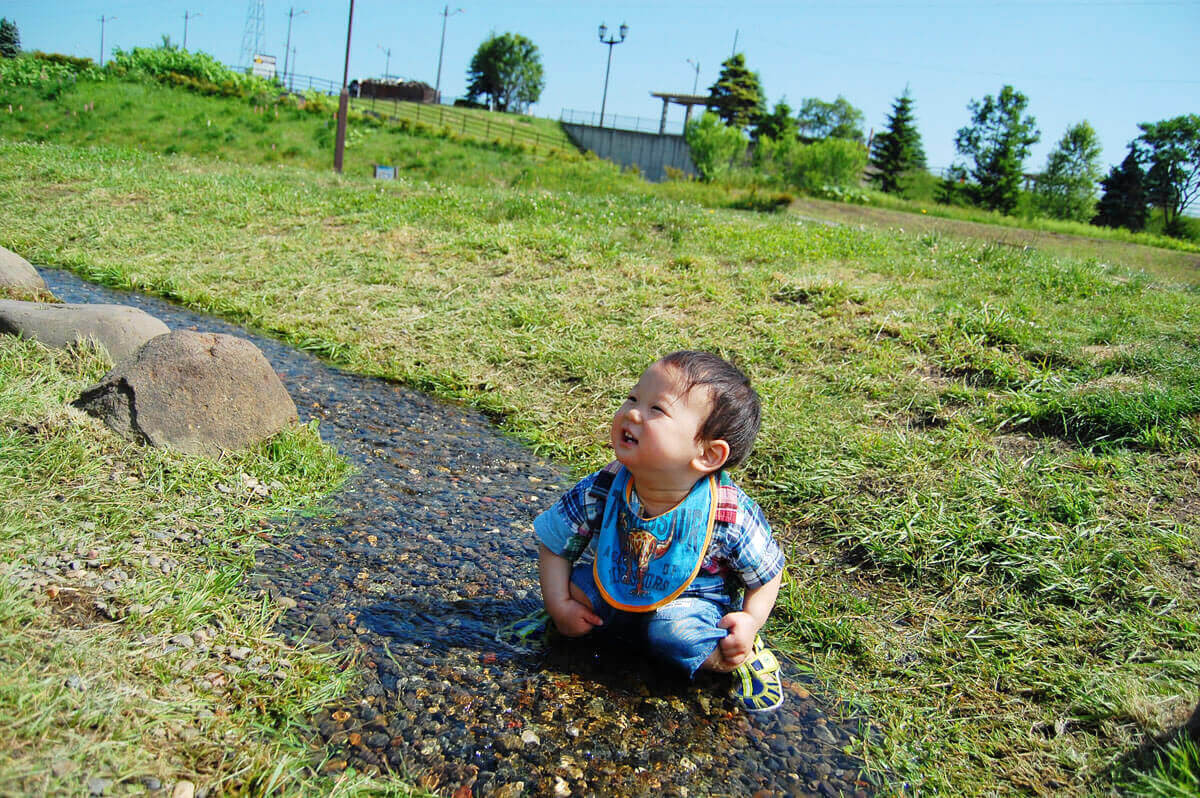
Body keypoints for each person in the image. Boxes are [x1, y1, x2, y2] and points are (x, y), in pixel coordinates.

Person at [534, 350, 786, 711]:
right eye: (633, 397)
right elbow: (555, 542)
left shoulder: (726, 512)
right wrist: (558, 604)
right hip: (618, 581)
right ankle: (588, 620)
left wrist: (749, 621)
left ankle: (738, 658)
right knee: (574, 590)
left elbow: (766, 574)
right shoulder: (606, 486)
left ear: (708, 455)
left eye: (657, 409)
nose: (632, 413)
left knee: (675, 636)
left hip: (690, 603)